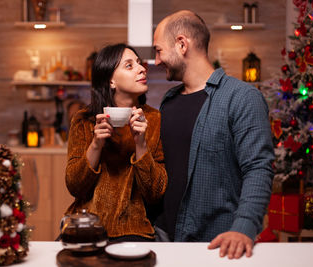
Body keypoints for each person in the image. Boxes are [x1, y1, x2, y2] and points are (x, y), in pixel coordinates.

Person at [153, 10, 274, 258]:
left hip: (217, 244)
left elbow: (258, 168)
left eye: (158, 50)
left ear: (182, 44)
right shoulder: (168, 100)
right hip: (163, 238)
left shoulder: (242, 98)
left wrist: (244, 228)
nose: (156, 61)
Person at [65, 43, 167, 242]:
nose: (142, 68)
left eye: (139, 63)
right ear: (111, 81)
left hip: (134, 230)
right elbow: (75, 187)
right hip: (86, 226)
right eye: (129, 66)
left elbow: (156, 193)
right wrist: (96, 144)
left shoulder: (154, 120)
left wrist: (141, 145)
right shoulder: (85, 120)